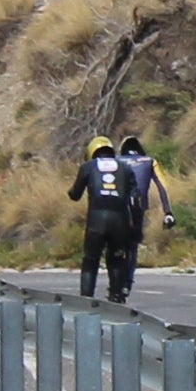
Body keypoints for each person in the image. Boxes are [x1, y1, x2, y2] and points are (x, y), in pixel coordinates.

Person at [68, 128, 172, 308]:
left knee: (90, 260)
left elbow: (74, 194)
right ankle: (116, 299)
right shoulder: (125, 168)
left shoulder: (88, 167)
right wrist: (134, 227)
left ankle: (85, 300)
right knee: (116, 259)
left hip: (96, 221)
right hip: (120, 222)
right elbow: (135, 197)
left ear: (91, 152)